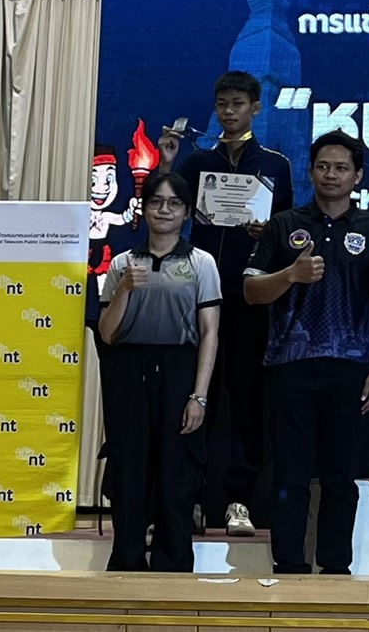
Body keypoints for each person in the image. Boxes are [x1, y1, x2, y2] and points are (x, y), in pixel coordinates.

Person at [243, 131, 369, 575]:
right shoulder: (283, 225)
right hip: (289, 364)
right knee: (290, 474)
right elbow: (251, 291)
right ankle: (288, 564)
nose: (332, 175)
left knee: (339, 476)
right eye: (323, 166)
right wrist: (290, 274)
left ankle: (335, 567)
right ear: (310, 171)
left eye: (341, 168)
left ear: (358, 176)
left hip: (350, 366)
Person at [158, 70, 293, 537]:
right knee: (196, 396)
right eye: (222, 105)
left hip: (251, 300)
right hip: (199, 296)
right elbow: (165, 212)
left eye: (237, 104)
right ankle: (191, 498)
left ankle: (240, 500)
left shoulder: (274, 164)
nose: (229, 112)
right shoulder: (197, 162)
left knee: (248, 401)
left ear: (256, 108)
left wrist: (267, 233)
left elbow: (289, 235)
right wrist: (167, 163)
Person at [98, 172, 220, 572]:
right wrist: (124, 289)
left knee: (177, 472)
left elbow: (209, 332)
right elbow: (107, 333)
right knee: (129, 468)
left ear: (186, 212)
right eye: (156, 202)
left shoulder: (201, 263)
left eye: (174, 203)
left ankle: (174, 562)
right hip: (130, 372)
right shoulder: (122, 264)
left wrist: (199, 396)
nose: (164, 210)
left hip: (180, 370)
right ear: (144, 209)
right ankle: (127, 559)